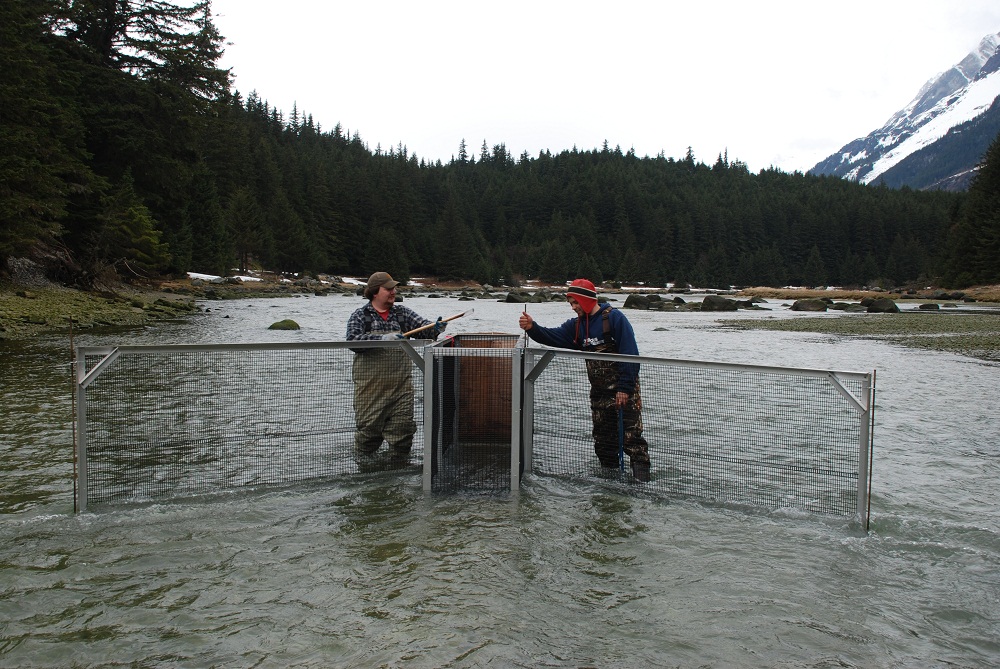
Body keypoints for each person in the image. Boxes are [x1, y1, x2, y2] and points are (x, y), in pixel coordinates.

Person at [518, 278, 651, 482]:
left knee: (632, 440)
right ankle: (610, 485)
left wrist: (624, 389)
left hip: (624, 393)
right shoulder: (577, 326)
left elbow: (631, 355)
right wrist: (532, 327)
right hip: (598, 394)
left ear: (587, 299)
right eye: (571, 303)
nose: (573, 307)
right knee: (603, 443)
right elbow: (553, 337)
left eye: (576, 302)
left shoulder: (614, 318)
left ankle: (642, 487)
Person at [345, 271, 446, 465]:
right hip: (370, 391)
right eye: (388, 289)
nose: (393, 292)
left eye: (394, 288)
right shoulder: (361, 316)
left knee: (403, 434)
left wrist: (436, 327)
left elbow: (425, 327)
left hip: (401, 389)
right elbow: (352, 341)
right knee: (368, 437)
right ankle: (365, 474)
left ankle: (397, 473)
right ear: (375, 292)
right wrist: (382, 339)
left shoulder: (402, 313)